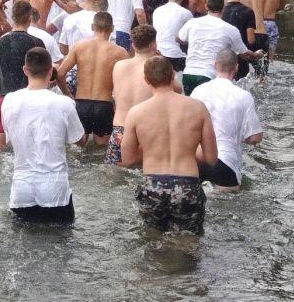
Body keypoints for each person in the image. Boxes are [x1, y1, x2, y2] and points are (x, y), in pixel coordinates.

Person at [120, 57, 217, 234]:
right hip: (188, 185)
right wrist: (185, 149)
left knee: (152, 240)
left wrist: (151, 150)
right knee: (187, 243)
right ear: (173, 75)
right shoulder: (198, 108)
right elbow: (211, 158)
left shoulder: (136, 113)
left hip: (153, 185)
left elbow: (127, 160)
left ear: (146, 80)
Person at [1, 48, 86, 224]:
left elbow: (9, 137)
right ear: (50, 71)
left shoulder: (8, 101)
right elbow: (80, 141)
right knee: (62, 245)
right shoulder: (65, 103)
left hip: (21, 190)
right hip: (55, 189)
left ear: (25, 70)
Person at [191, 49, 264, 191]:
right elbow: (255, 137)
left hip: (197, 160)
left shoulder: (198, 91)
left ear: (214, 65)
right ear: (236, 67)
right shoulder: (244, 96)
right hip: (225, 163)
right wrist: (238, 136)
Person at [57, 12, 129, 146]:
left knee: (78, 149)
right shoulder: (120, 52)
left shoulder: (79, 47)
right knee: (100, 152)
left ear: (92, 27)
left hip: (81, 104)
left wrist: (67, 93)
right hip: (104, 106)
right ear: (112, 28)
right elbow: (129, 82)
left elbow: (60, 74)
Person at [177, 0, 262, 95]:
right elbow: (245, 55)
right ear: (223, 7)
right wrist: (257, 54)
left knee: (192, 108)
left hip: (188, 74)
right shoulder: (230, 29)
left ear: (206, 6)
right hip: (209, 76)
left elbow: (178, 39)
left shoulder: (192, 23)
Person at [0, 1, 45, 148]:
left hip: (3, 101)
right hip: (29, 102)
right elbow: (44, 74)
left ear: (12, 17)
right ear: (29, 18)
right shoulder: (36, 42)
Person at [106, 25, 158, 165]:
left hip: (120, 130)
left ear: (133, 44)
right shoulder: (156, 67)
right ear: (154, 44)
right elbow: (175, 91)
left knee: (115, 176)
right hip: (146, 131)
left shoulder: (119, 66)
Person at [151, 0, 192, 72]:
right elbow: (189, 38)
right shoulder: (186, 13)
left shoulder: (157, 11)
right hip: (177, 56)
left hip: (159, 54)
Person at [221, 0, 256, 80]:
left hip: (223, 55)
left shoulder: (221, 10)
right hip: (241, 57)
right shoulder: (248, 12)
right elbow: (251, 39)